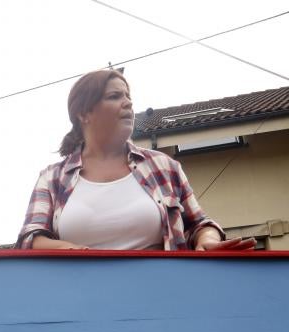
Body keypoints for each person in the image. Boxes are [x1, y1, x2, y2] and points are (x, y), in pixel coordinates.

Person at [15, 69, 255, 252]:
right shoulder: (52, 178)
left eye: (128, 96)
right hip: (79, 304)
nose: (128, 102)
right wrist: (75, 252)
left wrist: (208, 240)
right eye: (114, 96)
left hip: (161, 301)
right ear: (83, 113)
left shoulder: (165, 166)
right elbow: (30, 238)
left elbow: (200, 224)